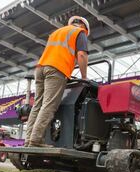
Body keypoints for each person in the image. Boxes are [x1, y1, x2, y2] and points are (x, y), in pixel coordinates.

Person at [24, 16, 90, 147]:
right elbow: (82, 55)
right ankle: (36, 140)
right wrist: (84, 77)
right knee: (48, 105)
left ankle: (28, 140)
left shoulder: (56, 33)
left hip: (40, 68)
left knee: (37, 105)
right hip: (56, 70)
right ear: (84, 26)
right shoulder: (79, 32)